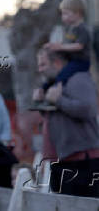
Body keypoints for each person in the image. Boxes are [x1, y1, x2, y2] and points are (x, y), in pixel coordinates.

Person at [32, 48, 99, 198]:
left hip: (82, 163)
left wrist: (58, 101)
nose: (39, 69)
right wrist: (42, 102)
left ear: (56, 63)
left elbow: (88, 108)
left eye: (43, 64)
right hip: (62, 162)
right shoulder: (54, 84)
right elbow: (58, 117)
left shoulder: (78, 79)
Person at [38, 0, 91, 110]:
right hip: (70, 60)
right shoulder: (69, 29)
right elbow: (65, 44)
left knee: (62, 76)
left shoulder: (82, 29)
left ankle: (55, 96)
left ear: (78, 13)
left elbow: (79, 46)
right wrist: (53, 46)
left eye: (66, 13)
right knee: (55, 75)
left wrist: (61, 47)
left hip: (80, 61)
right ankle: (45, 89)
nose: (63, 17)